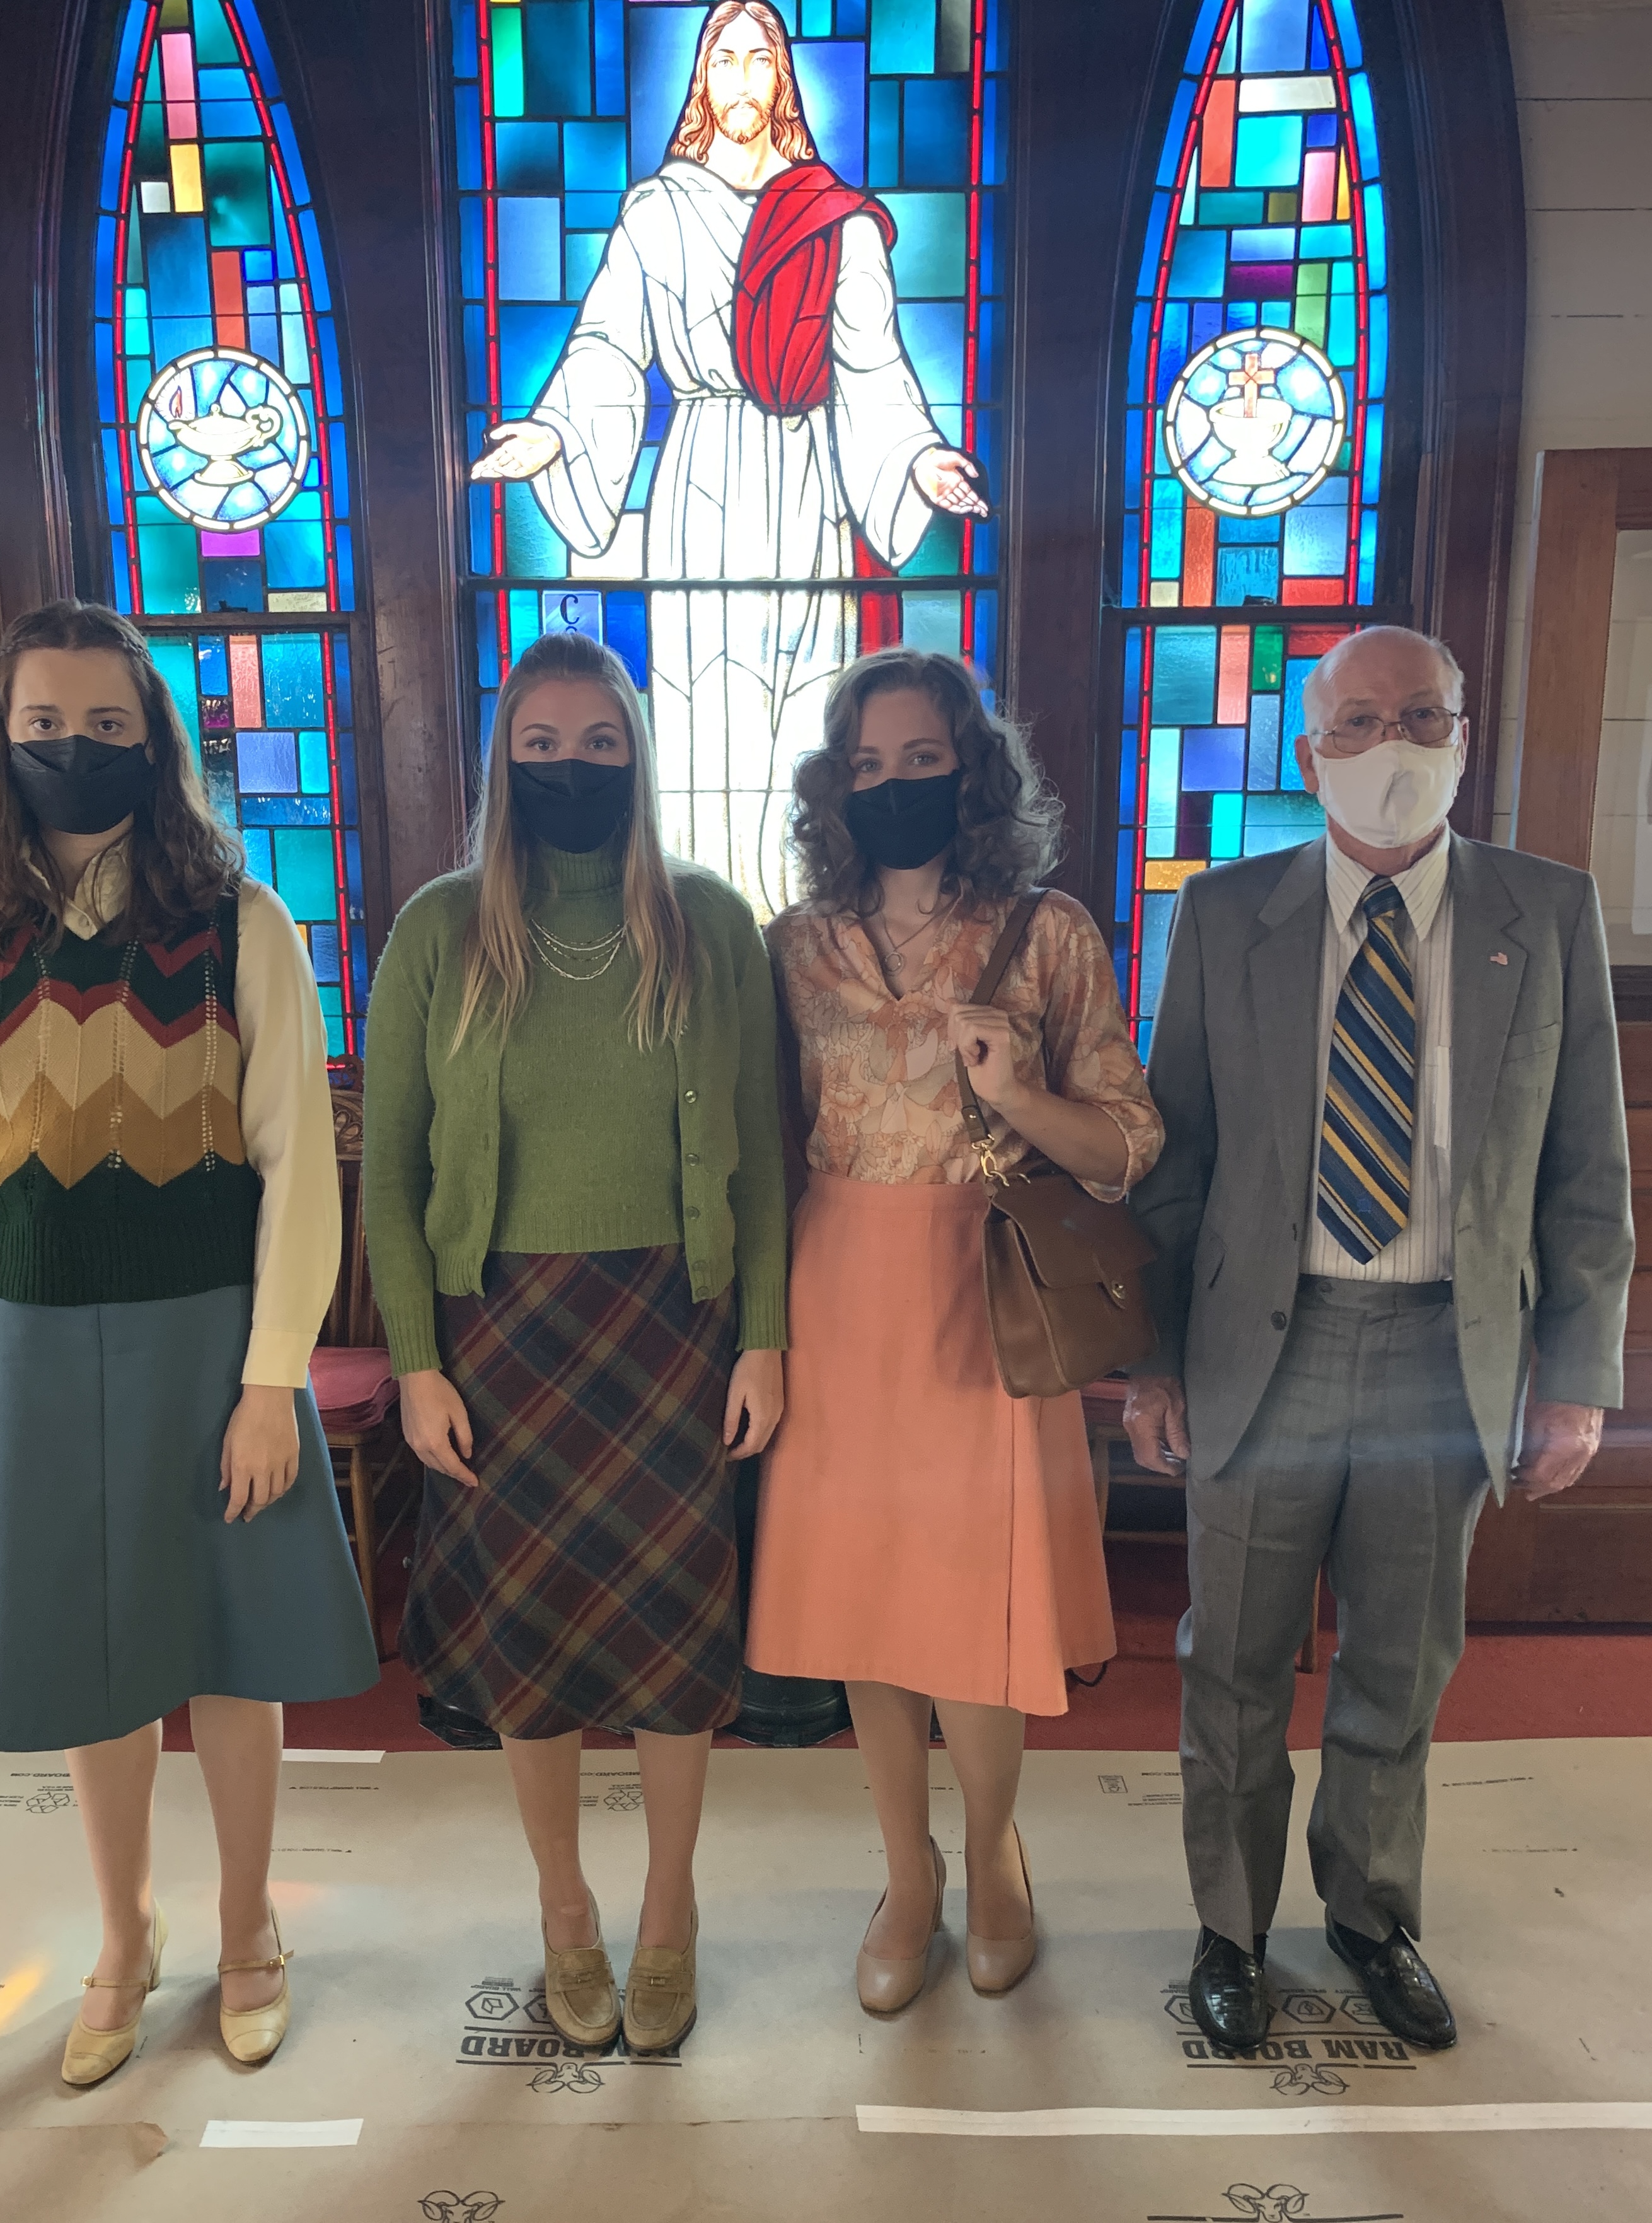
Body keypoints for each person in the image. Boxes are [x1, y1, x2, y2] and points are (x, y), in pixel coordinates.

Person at [0, 600, 378, 2086]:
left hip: (206, 1345)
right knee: (93, 1661)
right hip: (22, 1350)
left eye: (107, 727)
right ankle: (122, 1932)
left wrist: (273, 1373)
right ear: (3, 736)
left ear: (153, 744)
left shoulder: (240, 924)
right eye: (45, 727)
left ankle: (246, 1931)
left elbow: (299, 1163)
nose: (73, 751)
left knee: (226, 1650)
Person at [1124, 625, 1634, 2053]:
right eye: (1359, 720)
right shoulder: (1225, 915)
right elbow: (1175, 1159)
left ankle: (1367, 1911)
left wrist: (1580, 1378)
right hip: (1257, 1348)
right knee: (1231, 1660)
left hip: (1441, 1350)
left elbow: (1585, 1168)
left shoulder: (1546, 910)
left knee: (1399, 1663)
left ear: (1465, 732)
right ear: (1310, 752)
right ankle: (1228, 1925)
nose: (1393, 744)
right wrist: (1154, 1359)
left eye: (1423, 714)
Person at [362, 629, 787, 2058]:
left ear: (638, 760)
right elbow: (394, 1170)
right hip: (502, 1332)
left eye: (597, 745)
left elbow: (767, 1163)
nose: (569, 768)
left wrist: (765, 1336)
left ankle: (667, 1908)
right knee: (531, 1637)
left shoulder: (714, 925)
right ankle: (565, 1908)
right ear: (502, 764)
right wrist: (416, 1357)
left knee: (675, 1638)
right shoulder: (436, 929)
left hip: (675, 1325)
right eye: (539, 747)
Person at [746, 647, 1162, 2014]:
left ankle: (991, 1857)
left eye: (919, 760)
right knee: (870, 1607)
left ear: (969, 768)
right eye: (865, 765)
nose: (891, 784)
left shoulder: (1048, 933)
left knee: (975, 1610)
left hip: (986, 1290)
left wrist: (1023, 1091)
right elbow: (758, 1134)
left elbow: (1127, 1143)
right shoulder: (792, 942)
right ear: (833, 783)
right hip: (836, 1290)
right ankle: (904, 1870)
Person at [468, 0, 987, 912]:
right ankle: (708, 916)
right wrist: (552, 432)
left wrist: (918, 458)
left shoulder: (839, 222)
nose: (742, 81)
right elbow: (606, 348)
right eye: (725, 61)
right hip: (700, 484)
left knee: (802, 716)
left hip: (807, 484)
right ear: (700, 79)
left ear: (782, 80)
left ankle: (805, 920)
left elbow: (874, 367)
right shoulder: (657, 213)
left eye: (760, 61)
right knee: (707, 712)